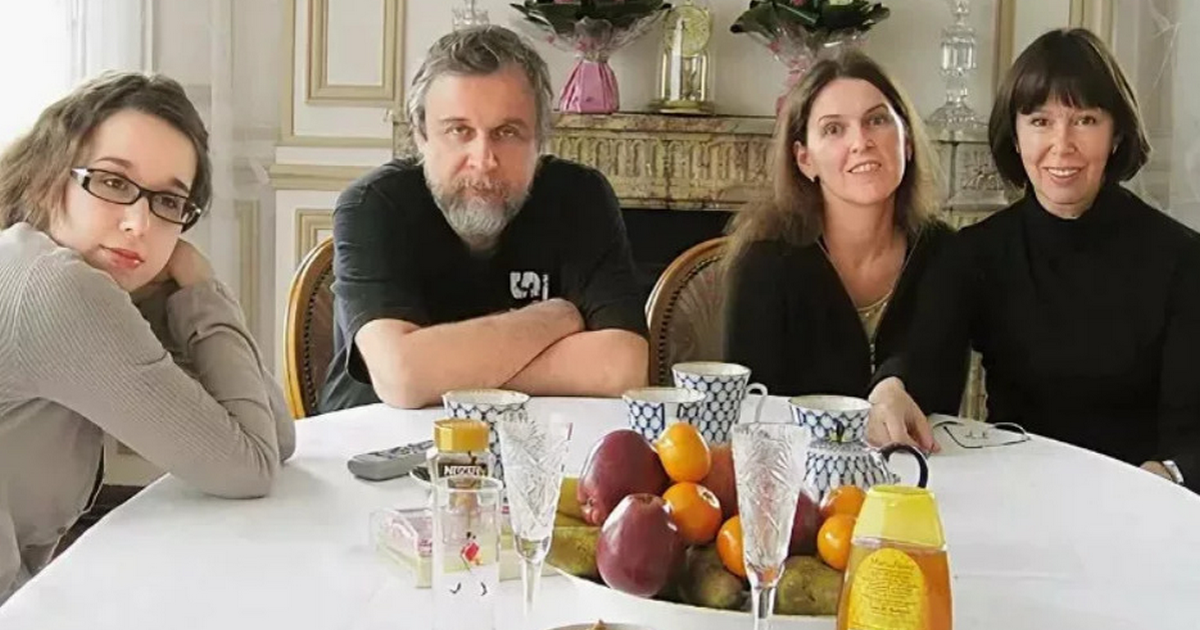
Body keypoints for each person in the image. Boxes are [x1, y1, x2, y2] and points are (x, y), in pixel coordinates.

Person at [0, 72, 295, 604]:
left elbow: (275, 438)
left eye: (169, 202)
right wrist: (201, 286)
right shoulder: (58, 289)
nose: (139, 223)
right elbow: (250, 467)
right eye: (113, 183)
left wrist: (187, 294)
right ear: (49, 176)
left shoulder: (56, 267)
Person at [867, 28, 1200, 491]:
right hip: (1013, 488)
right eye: (1040, 121)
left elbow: (1191, 433)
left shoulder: (1183, 258)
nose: (1062, 144)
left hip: (1136, 495)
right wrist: (891, 387)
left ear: (1117, 134)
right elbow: (924, 366)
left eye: (1085, 120)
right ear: (1016, 135)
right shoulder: (976, 253)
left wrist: (1163, 476)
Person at [319, 26, 649, 412]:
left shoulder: (579, 196)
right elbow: (402, 378)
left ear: (540, 140)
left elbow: (621, 368)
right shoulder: (374, 204)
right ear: (421, 135)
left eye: (507, 132)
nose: (484, 160)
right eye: (459, 130)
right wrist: (555, 317)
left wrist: (438, 372)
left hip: (534, 436)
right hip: (376, 439)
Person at [724, 50, 952, 399]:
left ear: (906, 142)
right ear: (804, 159)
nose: (861, 142)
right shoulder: (764, 262)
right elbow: (753, 406)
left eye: (877, 120)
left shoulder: (943, 252)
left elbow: (940, 388)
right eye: (833, 129)